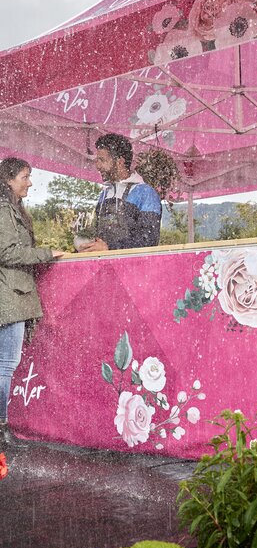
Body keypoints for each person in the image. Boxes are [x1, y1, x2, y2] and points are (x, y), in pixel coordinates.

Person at [0, 157, 64, 447]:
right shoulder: (3, 210)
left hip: (12, 296)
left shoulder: (11, 209)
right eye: (25, 176)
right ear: (8, 180)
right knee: (6, 365)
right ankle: (1, 428)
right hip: (9, 297)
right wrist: (46, 254)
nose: (30, 182)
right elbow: (8, 253)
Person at [79, 133, 161, 252]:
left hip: (130, 267)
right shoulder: (106, 193)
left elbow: (149, 240)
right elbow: (98, 234)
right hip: (104, 266)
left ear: (120, 161)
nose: (97, 166)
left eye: (102, 160)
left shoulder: (146, 193)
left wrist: (110, 248)